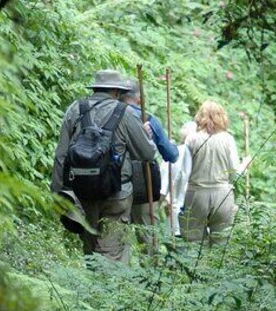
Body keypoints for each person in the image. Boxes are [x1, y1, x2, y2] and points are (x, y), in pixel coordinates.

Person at [51, 70, 157, 264]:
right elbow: (147, 155)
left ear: (96, 88)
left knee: (91, 252)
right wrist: (146, 137)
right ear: (117, 91)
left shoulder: (75, 110)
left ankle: (94, 291)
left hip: (83, 193)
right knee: (113, 255)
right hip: (118, 194)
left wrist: (60, 192)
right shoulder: (125, 113)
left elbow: (61, 156)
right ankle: (110, 291)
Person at [182, 100, 248, 244]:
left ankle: (196, 266)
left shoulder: (191, 139)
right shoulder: (228, 139)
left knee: (193, 241)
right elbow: (235, 173)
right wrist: (246, 164)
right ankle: (216, 266)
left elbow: (184, 171)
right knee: (221, 242)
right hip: (222, 195)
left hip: (195, 194)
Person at [120, 80, 179, 229]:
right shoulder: (148, 119)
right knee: (147, 235)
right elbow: (171, 155)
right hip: (143, 184)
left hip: (115, 183)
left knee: (115, 233)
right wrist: (172, 145)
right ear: (139, 98)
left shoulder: (109, 115)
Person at [159, 121, 196, 237]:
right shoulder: (177, 152)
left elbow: (163, 185)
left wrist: (162, 200)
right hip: (193, 211)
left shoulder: (175, 152)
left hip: (177, 209)